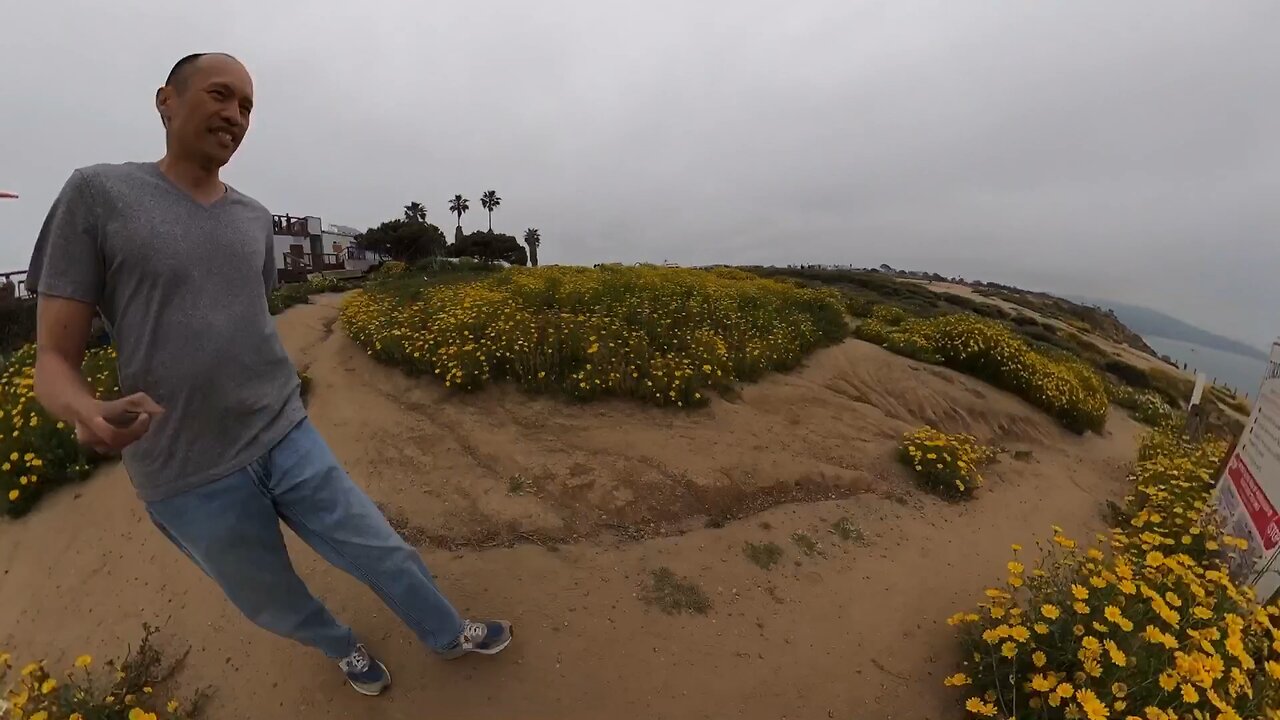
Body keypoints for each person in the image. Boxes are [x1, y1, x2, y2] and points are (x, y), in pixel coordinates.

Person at [28, 52, 511, 697]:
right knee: (269, 598)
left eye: (248, 107)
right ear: (165, 101)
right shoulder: (97, 193)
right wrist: (84, 410)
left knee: (380, 547)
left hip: (283, 430)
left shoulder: (254, 217)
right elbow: (53, 362)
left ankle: (448, 633)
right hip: (185, 472)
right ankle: (342, 647)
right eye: (220, 95)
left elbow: (252, 314)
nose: (235, 115)